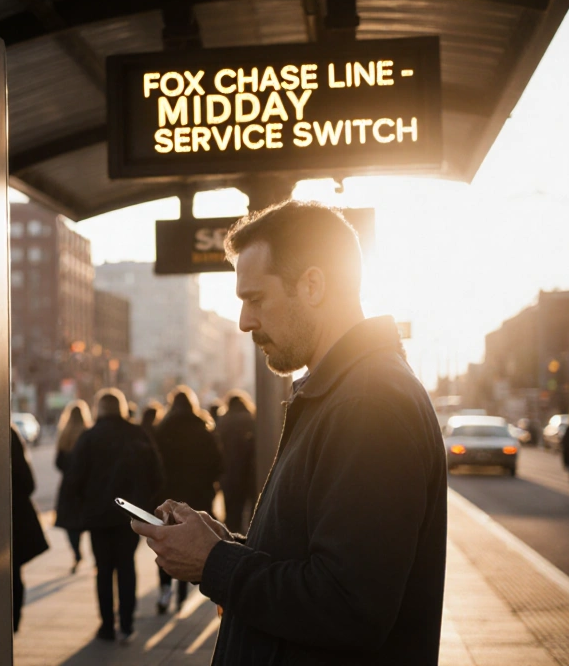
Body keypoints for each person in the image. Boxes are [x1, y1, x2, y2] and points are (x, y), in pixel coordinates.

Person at [132, 200, 447, 665]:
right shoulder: (345, 393)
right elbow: (317, 563)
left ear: (313, 285)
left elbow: (348, 607)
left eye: (255, 299)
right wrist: (224, 546)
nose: (245, 321)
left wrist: (215, 564)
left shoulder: (367, 403)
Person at [64, 388, 163, 644]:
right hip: (130, 516)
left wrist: (81, 504)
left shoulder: (89, 437)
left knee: (104, 569)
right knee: (126, 566)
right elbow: (157, 474)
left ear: (99, 408)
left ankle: (107, 626)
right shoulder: (137, 434)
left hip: (98, 515)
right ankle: (127, 623)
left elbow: (73, 478)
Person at [151, 386, 222, 614]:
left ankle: (164, 589)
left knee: (166, 543)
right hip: (198, 496)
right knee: (190, 543)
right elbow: (218, 464)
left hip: (169, 497)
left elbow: (155, 466)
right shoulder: (203, 429)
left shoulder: (162, 430)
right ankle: (182, 591)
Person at [11, 424, 49, 631]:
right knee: (12, 571)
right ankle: (12, 624)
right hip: (11, 520)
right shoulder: (8, 433)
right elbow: (28, 483)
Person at [53, 399, 92, 574]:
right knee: (91, 523)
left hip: (69, 487)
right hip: (88, 487)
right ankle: (96, 559)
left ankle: (77, 553)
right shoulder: (88, 433)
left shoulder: (64, 435)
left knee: (71, 525)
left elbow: (58, 462)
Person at [216, 389, 257, 534]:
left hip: (228, 475)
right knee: (251, 513)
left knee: (232, 516)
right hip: (249, 474)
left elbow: (217, 449)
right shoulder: (252, 420)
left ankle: (232, 542)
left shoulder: (223, 421)